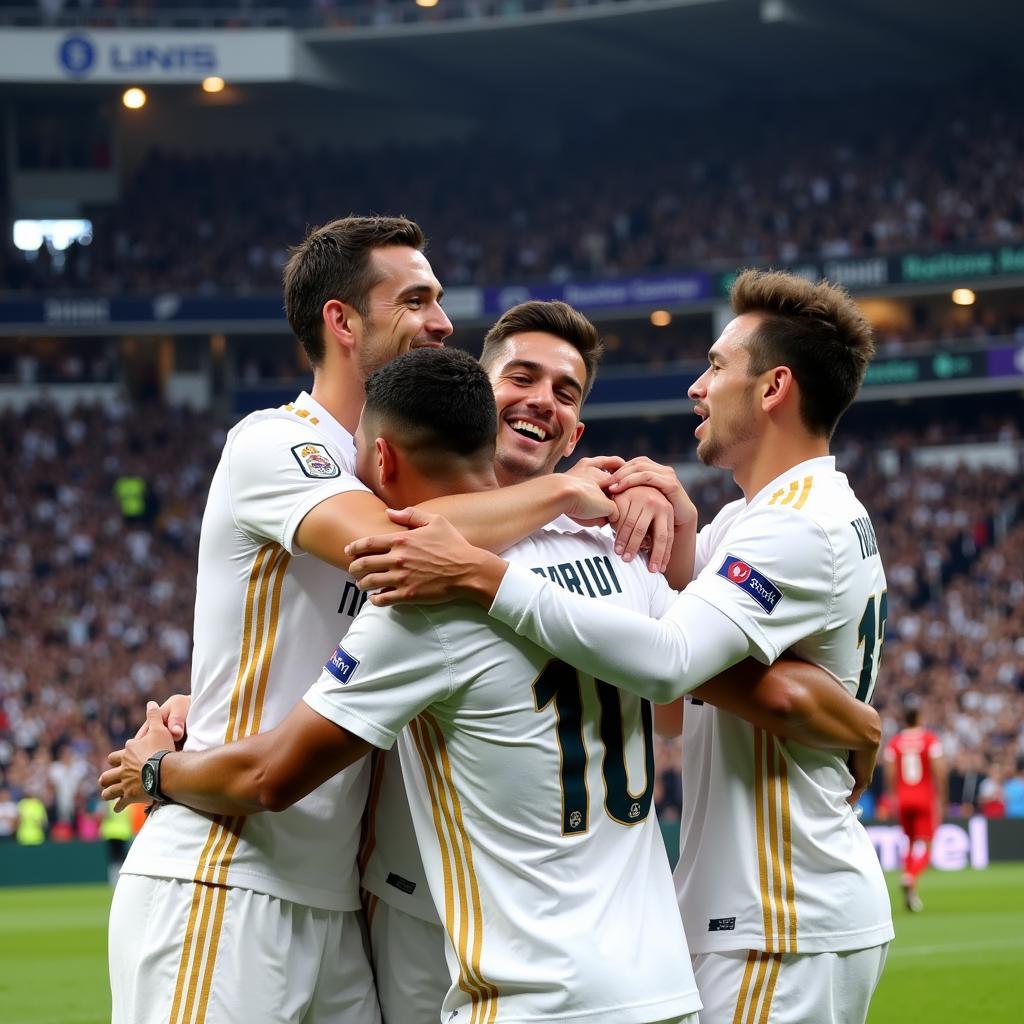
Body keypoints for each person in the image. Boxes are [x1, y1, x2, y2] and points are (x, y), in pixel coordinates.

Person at [107, 216, 621, 1024]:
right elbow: (393, 550)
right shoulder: (280, 443)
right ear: (341, 322)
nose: (443, 323)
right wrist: (561, 492)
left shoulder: (410, 480)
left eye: (440, 300)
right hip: (227, 872)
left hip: (340, 902)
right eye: (415, 300)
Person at [346, 269, 894, 1024]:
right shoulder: (383, 505)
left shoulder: (617, 545)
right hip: (418, 901)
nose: (543, 399)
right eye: (522, 377)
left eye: (566, 393)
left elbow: (674, 680)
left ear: (577, 435)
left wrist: (558, 549)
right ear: (473, 391)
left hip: (662, 942)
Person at [883, 701, 946, 912]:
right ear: (919, 718)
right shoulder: (930, 739)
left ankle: (911, 891)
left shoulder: (895, 742)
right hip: (924, 798)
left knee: (909, 842)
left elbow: (889, 772)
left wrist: (892, 796)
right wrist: (942, 797)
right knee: (927, 845)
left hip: (903, 798)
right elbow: (939, 770)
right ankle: (910, 877)